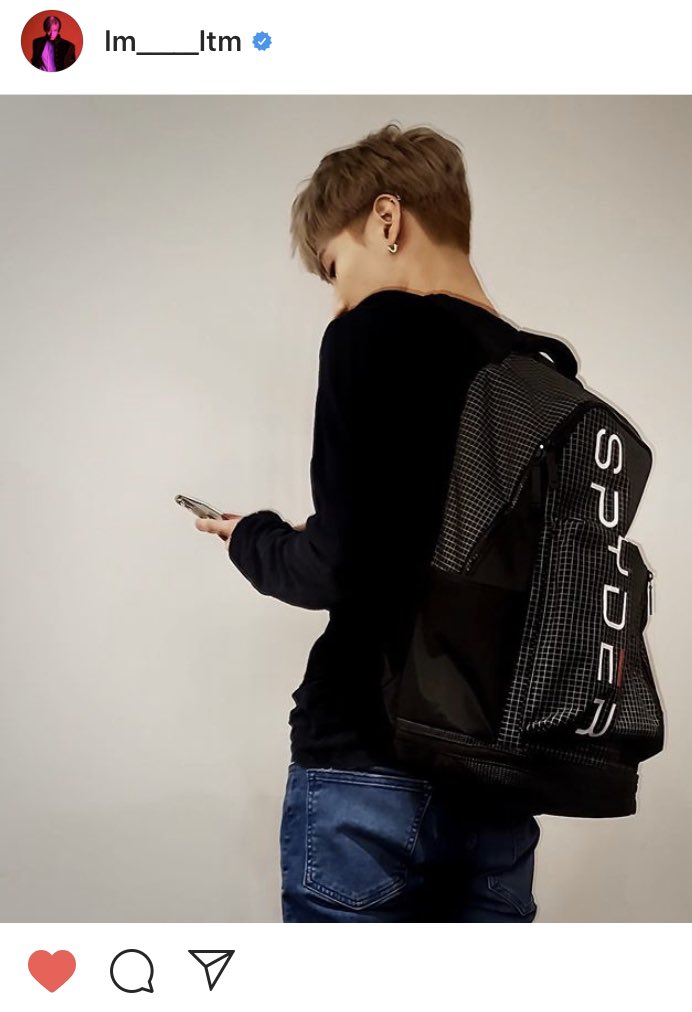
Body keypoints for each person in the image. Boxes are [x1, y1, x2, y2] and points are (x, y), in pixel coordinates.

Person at [196, 122, 542, 921]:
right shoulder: (540, 374)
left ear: (387, 219)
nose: (338, 297)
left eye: (334, 267)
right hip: (500, 776)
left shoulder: (372, 332)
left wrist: (251, 538)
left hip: (369, 759)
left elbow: (335, 566)